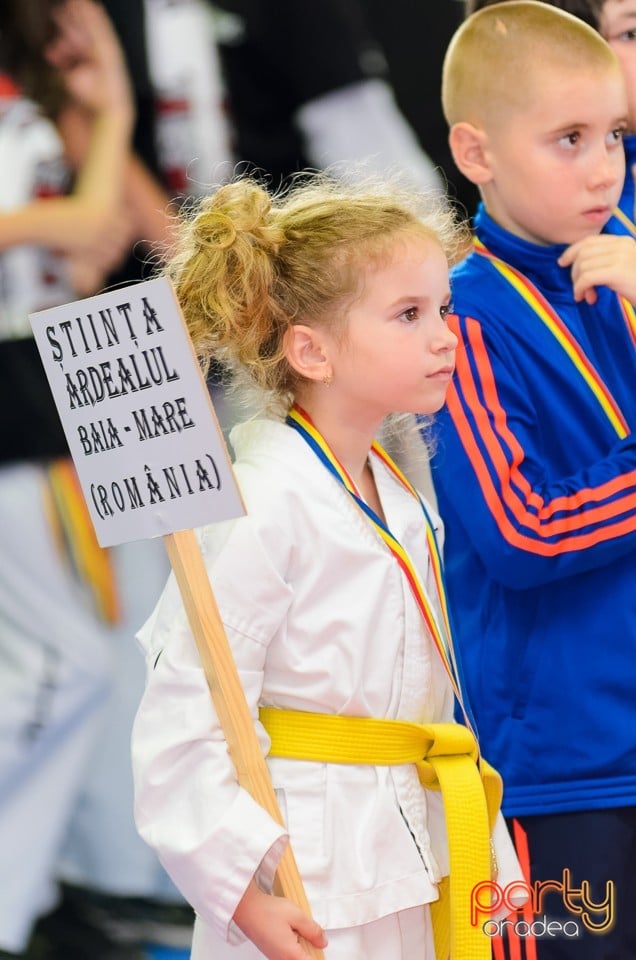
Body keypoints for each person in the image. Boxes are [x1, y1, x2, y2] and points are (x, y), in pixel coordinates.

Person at [131, 172, 525, 960]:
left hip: (404, 849)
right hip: (304, 872)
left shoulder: (396, 490)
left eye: (442, 309)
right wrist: (245, 898)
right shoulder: (264, 505)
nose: (446, 335)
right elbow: (184, 725)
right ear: (310, 350)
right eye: (409, 315)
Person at [429, 3, 636, 957]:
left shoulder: (626, 256)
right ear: (477, 152)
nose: (604, 167)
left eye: (614, 138)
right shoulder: (461, 319)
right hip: (562, 775)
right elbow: (526, 532)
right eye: (569, 140)